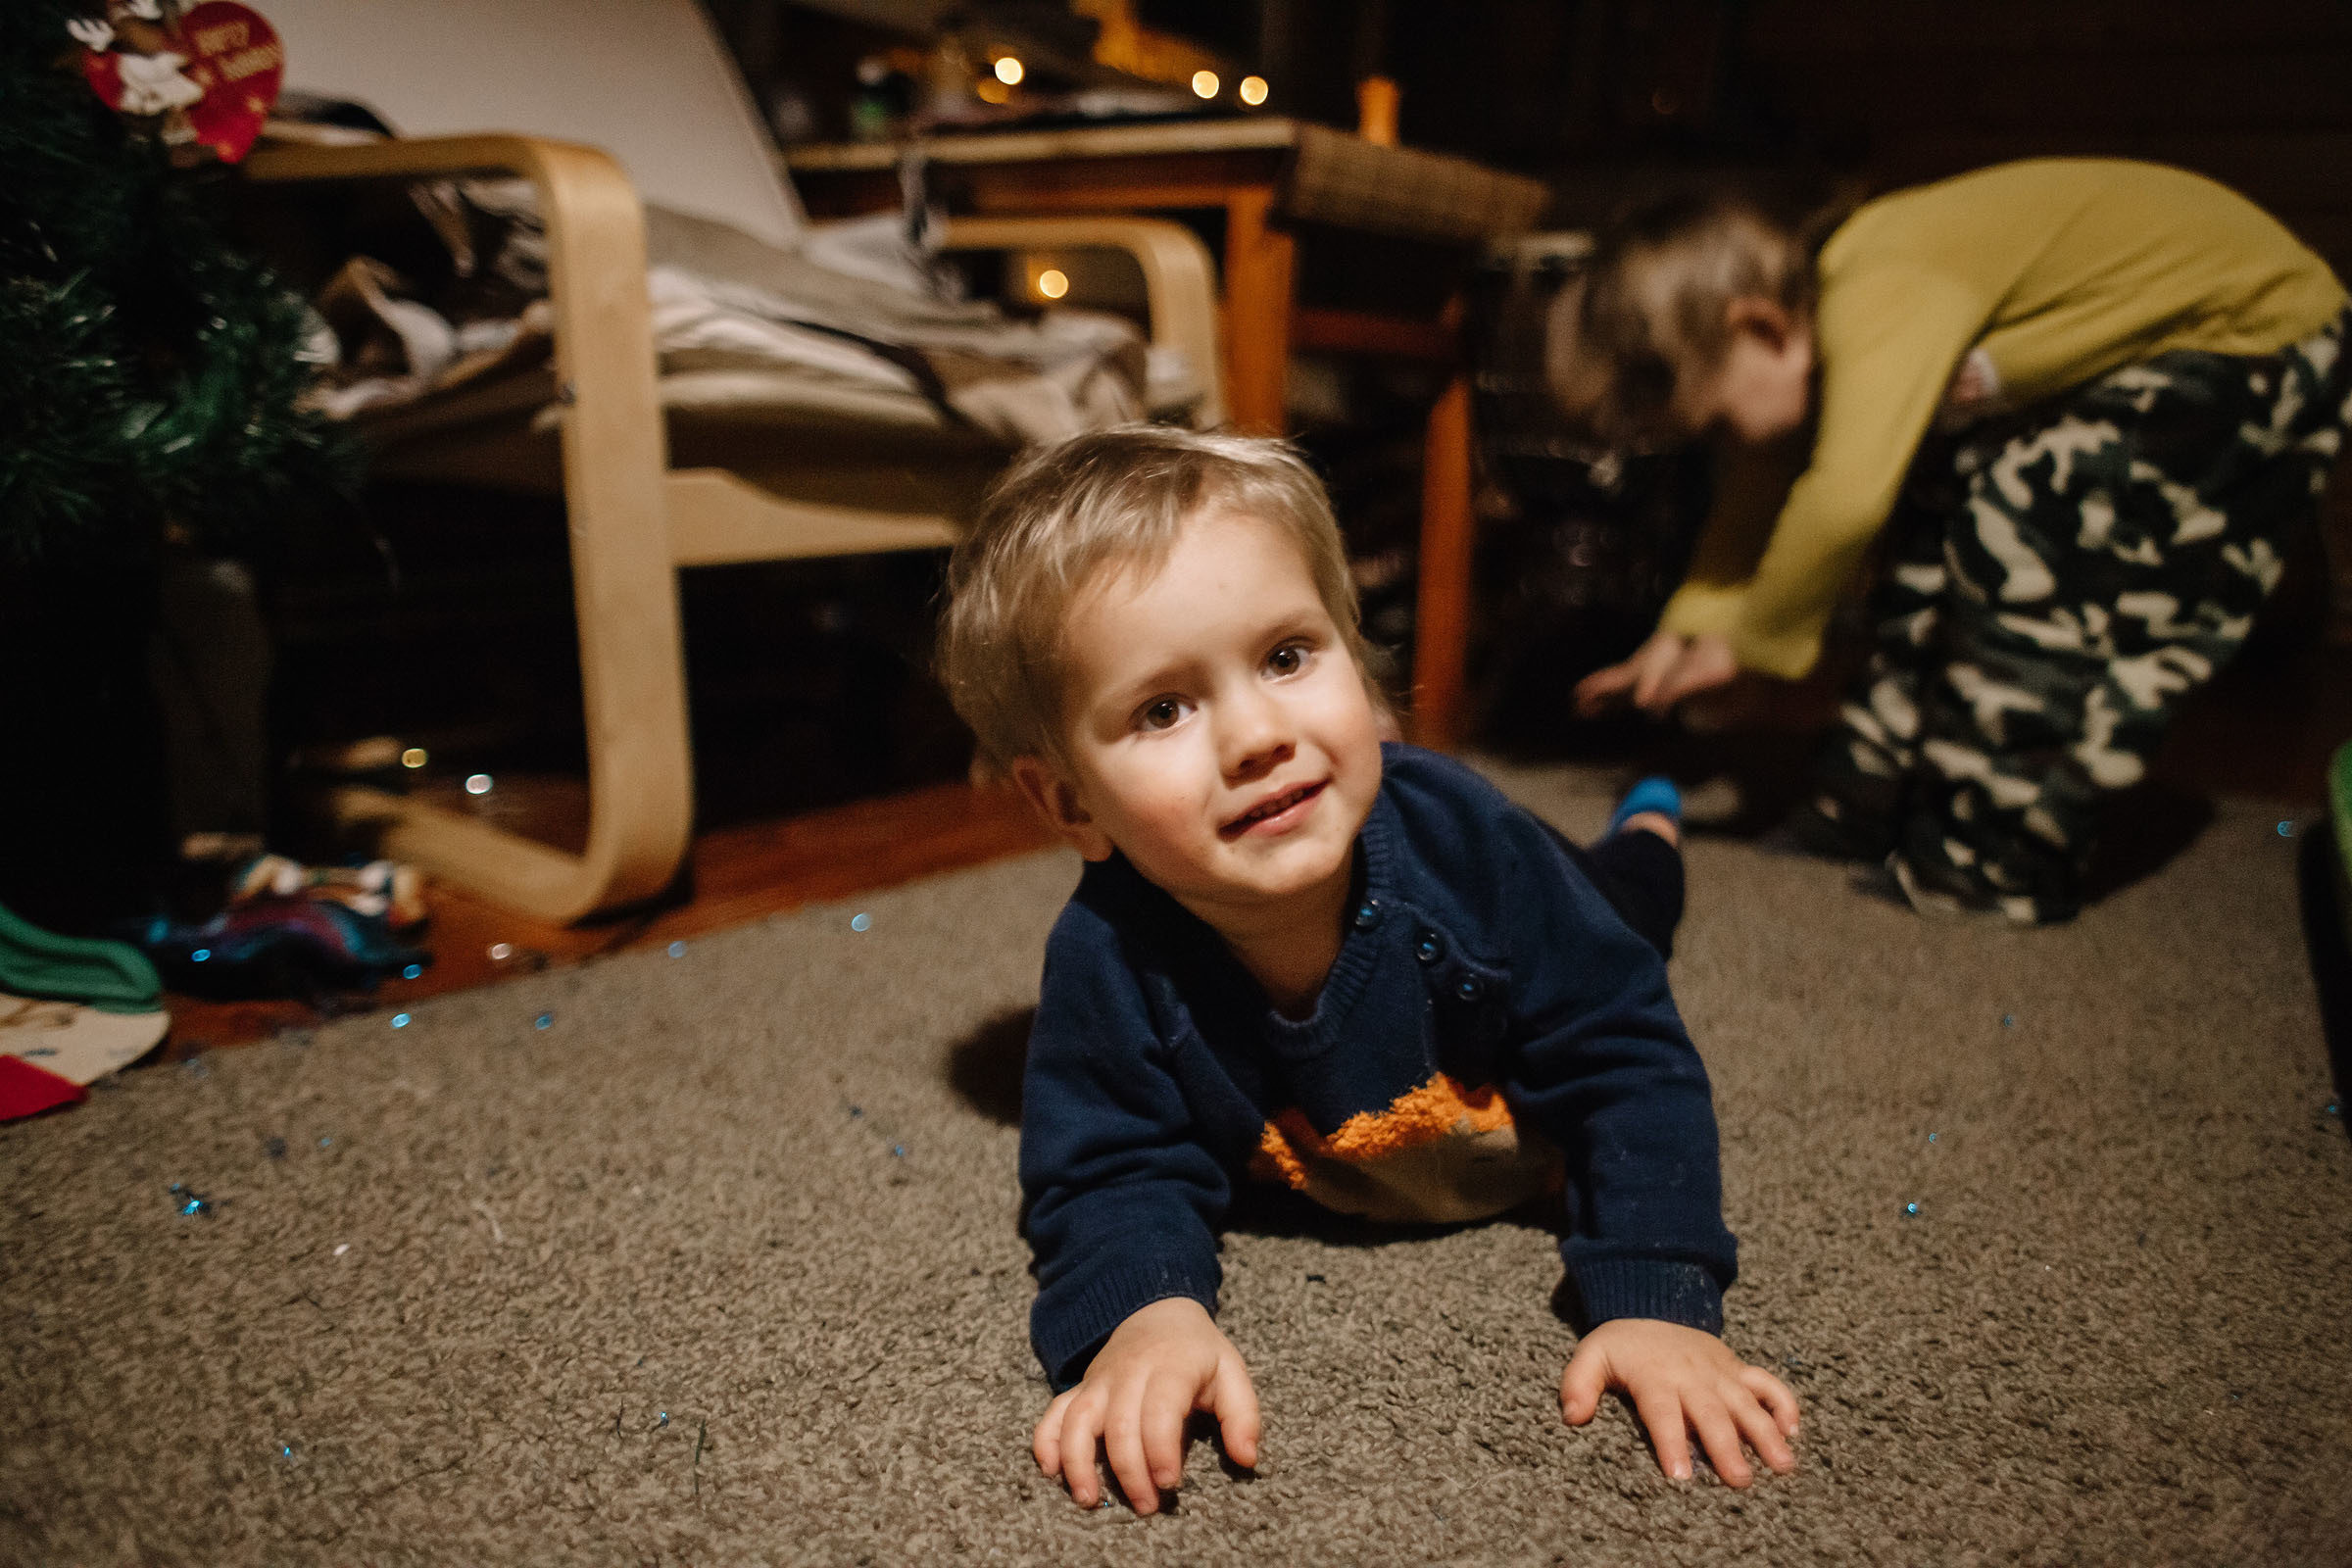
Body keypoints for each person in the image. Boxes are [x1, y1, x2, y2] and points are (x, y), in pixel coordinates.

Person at [936, 425, 1797, 1515]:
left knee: (1630, 902)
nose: (1256, 734)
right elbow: (1107, 1162)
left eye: (1288, 656)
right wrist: (1145, 1314)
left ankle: (1650, 827)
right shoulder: (1109, 953)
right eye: (1163, 708)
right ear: (1068, 803)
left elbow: (1627, 1059)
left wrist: (1658, 1297)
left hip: (1549, 884)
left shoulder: (1474, 847)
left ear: (1357, 659)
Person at [1562, 160, 2352, 923]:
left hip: (2256, 336)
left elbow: (1841, 503)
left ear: (1763, 326)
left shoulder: (1874, 289)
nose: (1732, 449)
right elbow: (1753, 499)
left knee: (2024, 524)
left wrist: (1758, 651)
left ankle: (1998, 860)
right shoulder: (1821, 320)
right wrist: (1683, 631)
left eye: (1723, 424)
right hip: (2180, 343)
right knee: (1934, 516)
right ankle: (1863, 805)